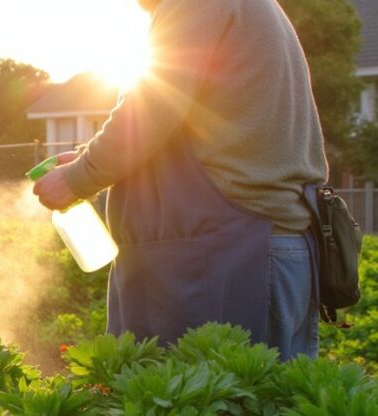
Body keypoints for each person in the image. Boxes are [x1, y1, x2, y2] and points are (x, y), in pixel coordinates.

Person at [32, 0, 327, 360]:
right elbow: (184, 123)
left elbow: (151, 105)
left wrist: (79, 178)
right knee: (266, 408)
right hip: (262, 248)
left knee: (215, 408)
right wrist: (87, 157)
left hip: (236, 259)